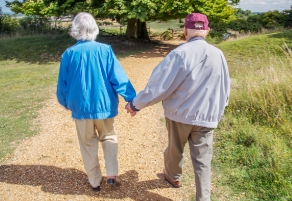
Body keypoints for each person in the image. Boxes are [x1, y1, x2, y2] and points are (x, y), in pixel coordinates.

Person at [125, 13, 230, 201]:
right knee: (203, 160)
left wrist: (136, 104)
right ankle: (203, 198)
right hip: (207, 116)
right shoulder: (218, 54)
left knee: (175, 148)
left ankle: (173, 178)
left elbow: (158, 86)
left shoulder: (180, 53)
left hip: (179, 114)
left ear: (185, 30)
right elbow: (225, 87)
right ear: (207, 30)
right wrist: (219, 110)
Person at [56, 12, 136, 192]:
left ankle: (94, 181)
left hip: (81, 108)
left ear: (75, 30)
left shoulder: (69, 54)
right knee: (108, 137)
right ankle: (112, 174)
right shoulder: (105, 50)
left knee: (87, 143)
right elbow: (118, 78)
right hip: (104, 106)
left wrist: (65, 102)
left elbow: (63, 83)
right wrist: (131, 99)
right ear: (94, 29)